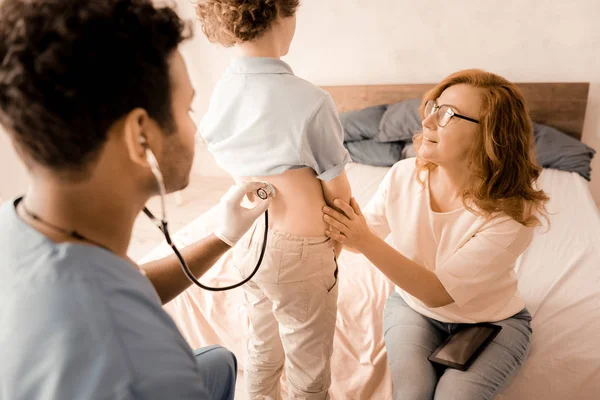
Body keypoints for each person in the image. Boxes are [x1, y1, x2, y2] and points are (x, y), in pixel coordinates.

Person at [0, 1, 272, 399]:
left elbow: (124, 282)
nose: (196, 127)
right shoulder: (142, 370)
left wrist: (223, 237)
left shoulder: (25, 225)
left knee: (218, 360)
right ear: (140, 136)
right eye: (188, 107)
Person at [322, 69, 549, 400]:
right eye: (433, 108)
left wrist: (363, 240)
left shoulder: (513, 215)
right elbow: (364, 233)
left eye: (448, 114)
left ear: (491, 135)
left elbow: (438, 291)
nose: (428, 122)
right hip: (412, 308)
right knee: (411, 394)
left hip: (493, 322)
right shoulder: (402, 176)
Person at [195, 1, 352, 398]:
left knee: (262, 347)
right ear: (281, 16)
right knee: (309, 366)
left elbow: (221, 148)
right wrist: (339, 240)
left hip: (246, 240)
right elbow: (338, 191)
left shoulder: (223, 93)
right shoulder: (310, 100)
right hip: (301, 249)